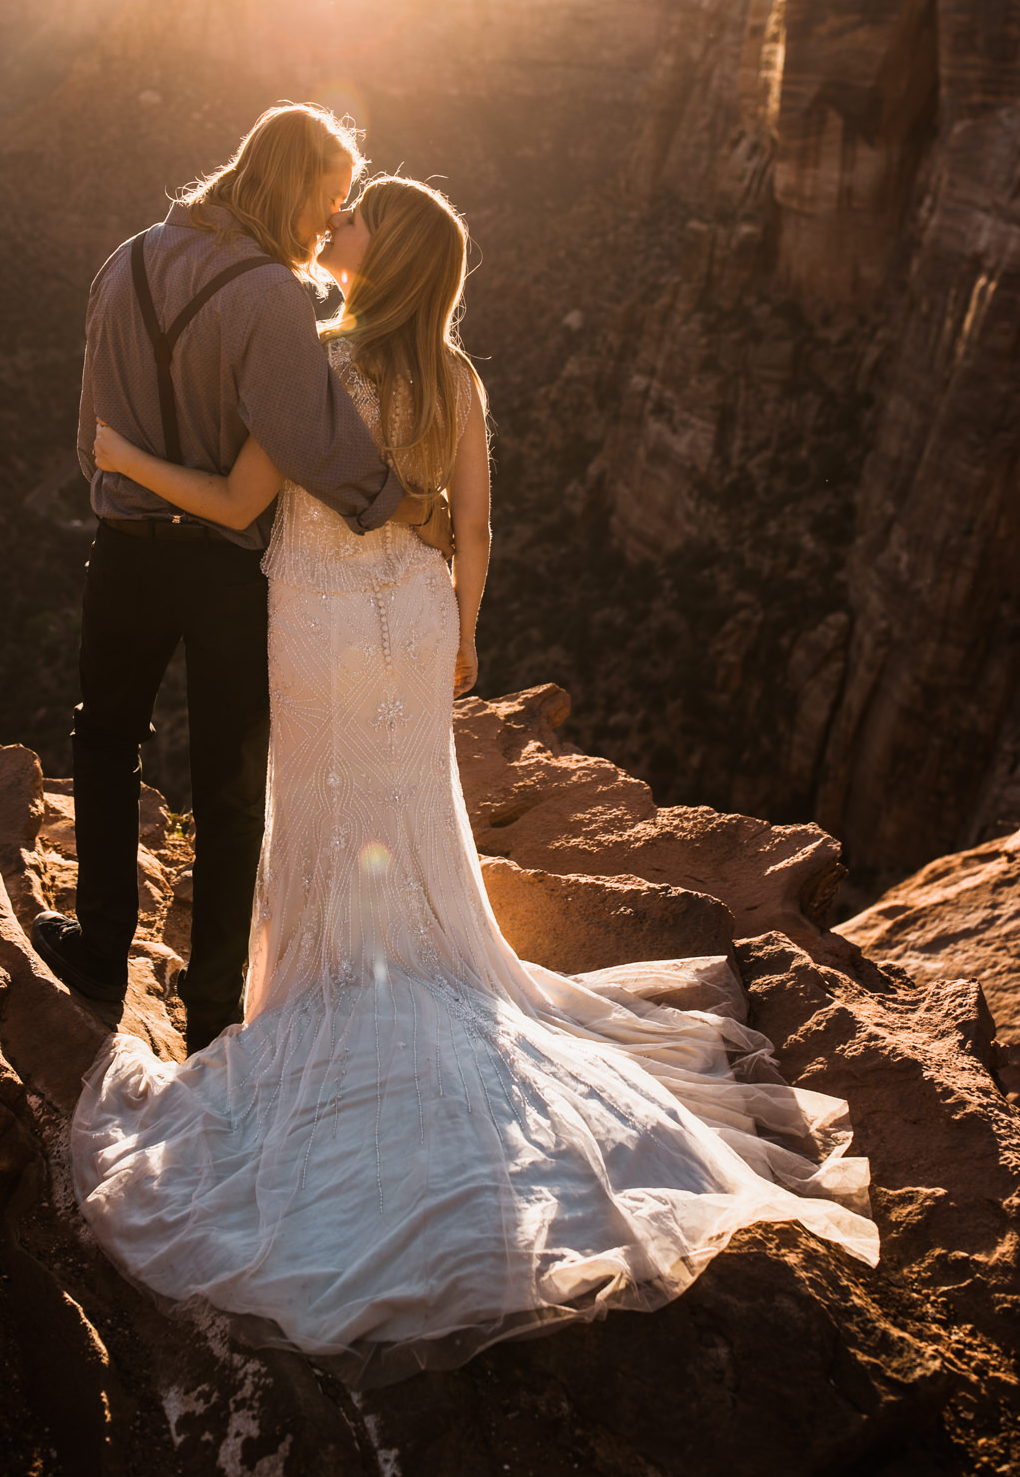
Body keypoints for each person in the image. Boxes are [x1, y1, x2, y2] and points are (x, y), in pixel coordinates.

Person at [72, 175, 878, 1386]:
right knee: (402, 809)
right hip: (407, 613)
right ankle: (414, 967)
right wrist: (458, 641)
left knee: (328, 809)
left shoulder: (313, 357)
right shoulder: (457, 377)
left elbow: (243, 499)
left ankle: (324, 985)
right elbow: (479, 530)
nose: (330, 230)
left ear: (380, 254)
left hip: (318, 619)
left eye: (351, 222)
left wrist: (126, 453)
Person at [31, 104, 443, 1054]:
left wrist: (119, 481)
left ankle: (99, 950)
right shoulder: (269, 294)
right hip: (223, 567)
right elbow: (308, 437)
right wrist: (402, 506)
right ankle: (212, 1013)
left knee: (103, 742)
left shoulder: (123, 260)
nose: (325, 220)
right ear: (289, 180)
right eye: (326, 198)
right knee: (224, 784)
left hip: (126, 548)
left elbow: (94, 423)